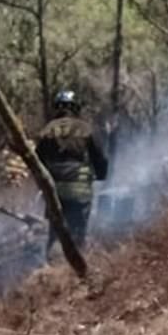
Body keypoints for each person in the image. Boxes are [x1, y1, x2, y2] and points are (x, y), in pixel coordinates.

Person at [34, 90, 109, 254]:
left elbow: (36, 161)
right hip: (79, 188)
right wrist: (102, 175)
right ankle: (77, 261)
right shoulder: (86, 129)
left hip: (54, 189)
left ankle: (52, 262)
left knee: (56, 230)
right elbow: (100, 158)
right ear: (75, 108)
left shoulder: (47, 131)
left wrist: (42, 185)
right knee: (78, 229)